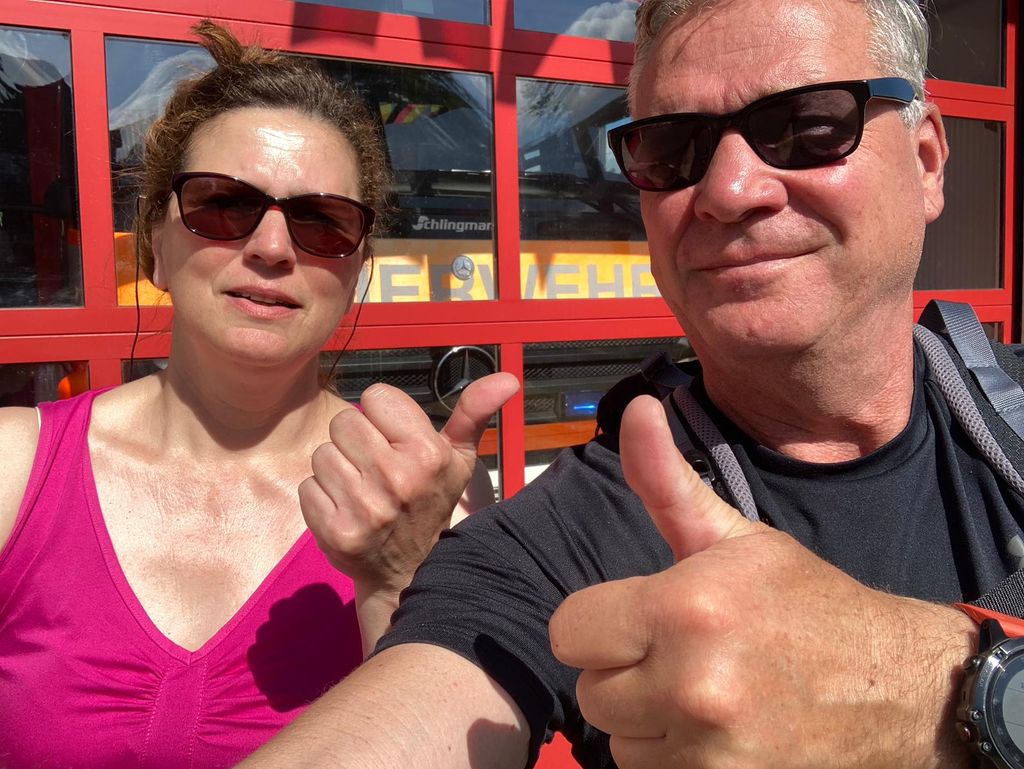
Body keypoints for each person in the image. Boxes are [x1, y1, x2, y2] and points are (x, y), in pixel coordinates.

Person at [238, 1, 1011, 767]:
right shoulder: (568, 531)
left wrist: (943, 693)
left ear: (926, 160)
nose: (729, 189)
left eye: (806, 126)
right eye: (673, 148)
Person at [0, 20, 517, 769]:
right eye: (222, 204)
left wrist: (397, 583)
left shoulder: (423, 496)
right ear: (155, 245)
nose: (272, 248)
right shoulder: (15, 466)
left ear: (357, 270)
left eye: (322, 222)